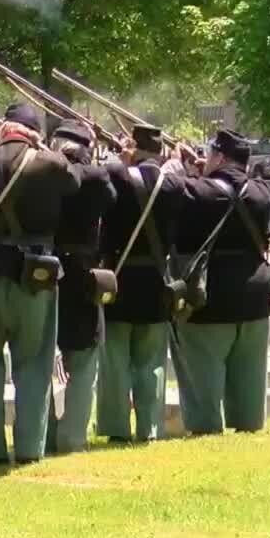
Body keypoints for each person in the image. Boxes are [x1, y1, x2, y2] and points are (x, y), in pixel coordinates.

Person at [0, 104, 80, 465]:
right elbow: (76, 182)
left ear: (3, 128)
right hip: (35, 278)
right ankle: (30, 447)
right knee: (34, 363)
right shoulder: (50, 162)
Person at [173, 129, 270, 435]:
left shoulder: (196, 191)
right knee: (250, 370)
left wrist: (186, 172)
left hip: (210, 293)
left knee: (201, 368)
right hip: (256, 292)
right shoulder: (262, 192)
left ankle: (205, 427)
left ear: (218, 156)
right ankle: (248, 423)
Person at [96, 125, 184, 443]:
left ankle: (117, 429)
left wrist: (121, 157)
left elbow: (102, 178)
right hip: (157, 280)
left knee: (116, 363)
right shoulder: (174, 183)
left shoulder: (118, 176)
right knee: (152, 363)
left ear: (136, 146)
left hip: (119, 279)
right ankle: (150, 428)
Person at [45, 121, 116, 453]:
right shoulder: (96, 177)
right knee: (84, 362)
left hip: (45, 272)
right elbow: (109, 196)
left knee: (39, 362)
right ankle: (73, 437)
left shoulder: (43, 172)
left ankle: (42, 434)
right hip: (82, 273)